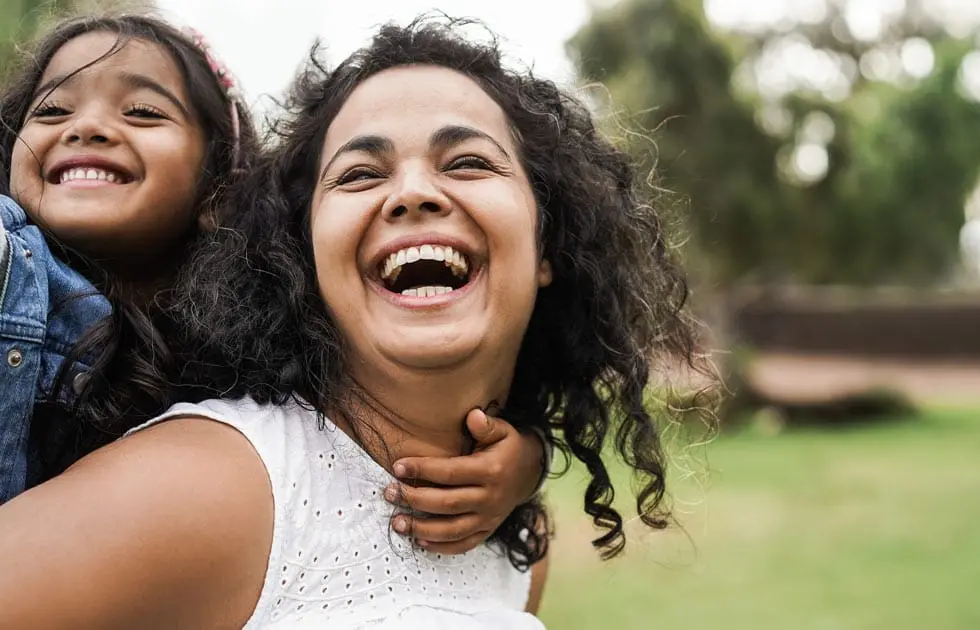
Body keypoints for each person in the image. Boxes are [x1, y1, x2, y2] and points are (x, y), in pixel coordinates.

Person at [0, 14, 714, 629]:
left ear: (548, 242)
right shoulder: (216, 486)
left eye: (466, 162)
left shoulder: (509, 533)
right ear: (301, 254)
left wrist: (524, 465)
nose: (412, 193)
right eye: (361, 174)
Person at [0, 13, 545, 552]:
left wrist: (522, 462)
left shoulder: (240, 341)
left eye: (142, 112)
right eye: (51, 110)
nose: (86, 126)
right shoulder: (10, 264)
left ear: (221, 185)